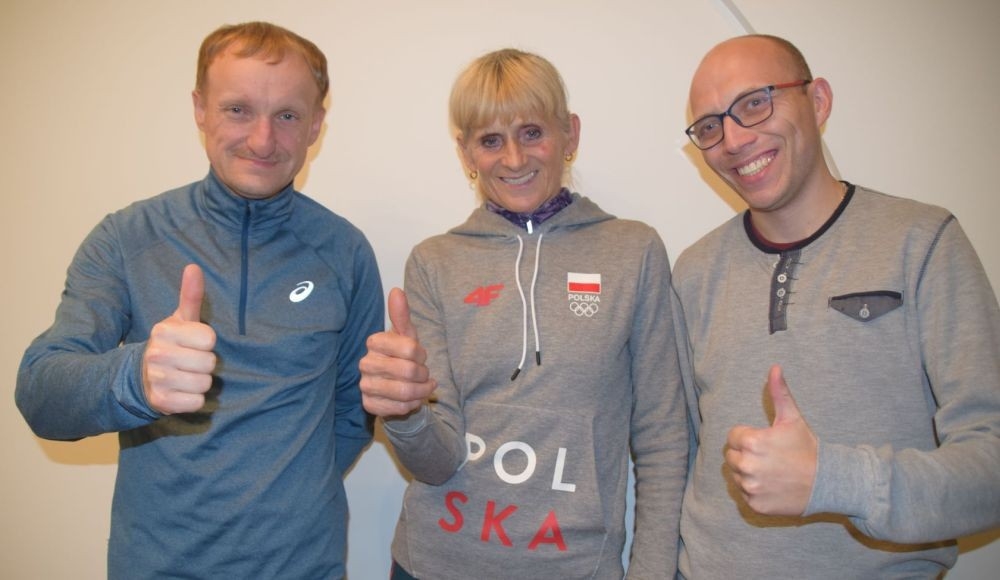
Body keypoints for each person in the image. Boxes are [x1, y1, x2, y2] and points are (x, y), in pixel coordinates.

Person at [15, 21, 383, 579]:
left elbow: (352, 412)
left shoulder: (346, 252)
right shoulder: (127, 238)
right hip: (158, 566)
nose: (263, 140)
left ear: (315, 125)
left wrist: (289, 498)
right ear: (200, 110)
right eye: (238, 109)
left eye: (287, 115)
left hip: (303, 567)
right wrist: (135, 378)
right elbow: (40, 393)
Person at [673, 33, 1000, 579]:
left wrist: (832, 479)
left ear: (818, 100)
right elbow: (679, 453)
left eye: (755, 103)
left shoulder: (923, 242)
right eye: (710, 127)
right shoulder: (693, 272)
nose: (733, 139)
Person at [359, 48, 688, 579]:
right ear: (465, 152)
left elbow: (663, 437)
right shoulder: (435, 261)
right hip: (433, 564)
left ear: (570, 134)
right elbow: (437, 463)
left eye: (532, 132)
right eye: (490, 140)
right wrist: (404, 413)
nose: (513, 159)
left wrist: (652, 572)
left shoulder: (633, 251)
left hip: (575, 568)